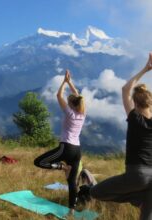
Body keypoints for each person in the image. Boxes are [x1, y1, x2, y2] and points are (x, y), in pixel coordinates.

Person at [87, 53, 152, 220]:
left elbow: (125, 89)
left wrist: (146, 69)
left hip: (137, 175)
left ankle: (136, 198)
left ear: (136, 105)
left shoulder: (135, 118)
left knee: (96, 192)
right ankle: (142, 199)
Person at [33, 70, 86, 215]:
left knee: (38, 162)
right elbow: (79, 96)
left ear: (71, 105)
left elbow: (58, 95)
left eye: (69, 103)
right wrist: (70, 83)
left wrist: (64, 82)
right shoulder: (82, 113)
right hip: (77, 151)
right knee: (72, 183)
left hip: (66, 148)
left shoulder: (69, 113)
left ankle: (62, 167)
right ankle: (72, 211)